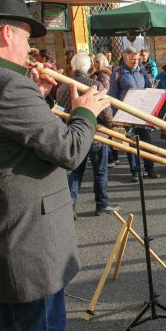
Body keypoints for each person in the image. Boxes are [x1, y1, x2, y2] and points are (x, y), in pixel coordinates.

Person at [0, 0, 109, 331]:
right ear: (7, 33)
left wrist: (38, 98)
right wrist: (85, 112)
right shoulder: (8, 85)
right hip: (26, 240)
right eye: (26, 38)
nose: (28, 48)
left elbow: (8, 132)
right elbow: (69, 150)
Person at [57, 53, 119, 217]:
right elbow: (106, 113)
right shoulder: (95, 85)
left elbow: (61, 111)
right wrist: (111, 126)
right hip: (96, 133)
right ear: (89, 66)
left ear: (72, 66)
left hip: (73, 133)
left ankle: (70, 204)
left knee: (77, 171)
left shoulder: (63, 86)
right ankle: (102, 204)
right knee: (100, 172)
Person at [109, 46, 160, 181]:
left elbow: (148, 89)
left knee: (147, 142)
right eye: (132, 59)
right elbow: (112, 96)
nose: (135, 62)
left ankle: (150, 168)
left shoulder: (142, 70)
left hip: (142, 113)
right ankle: (135, 171)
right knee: (131, 144)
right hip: (126, 115)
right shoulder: (117, 73)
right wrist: (116, 117)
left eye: (137, 59)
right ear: (125, 59)